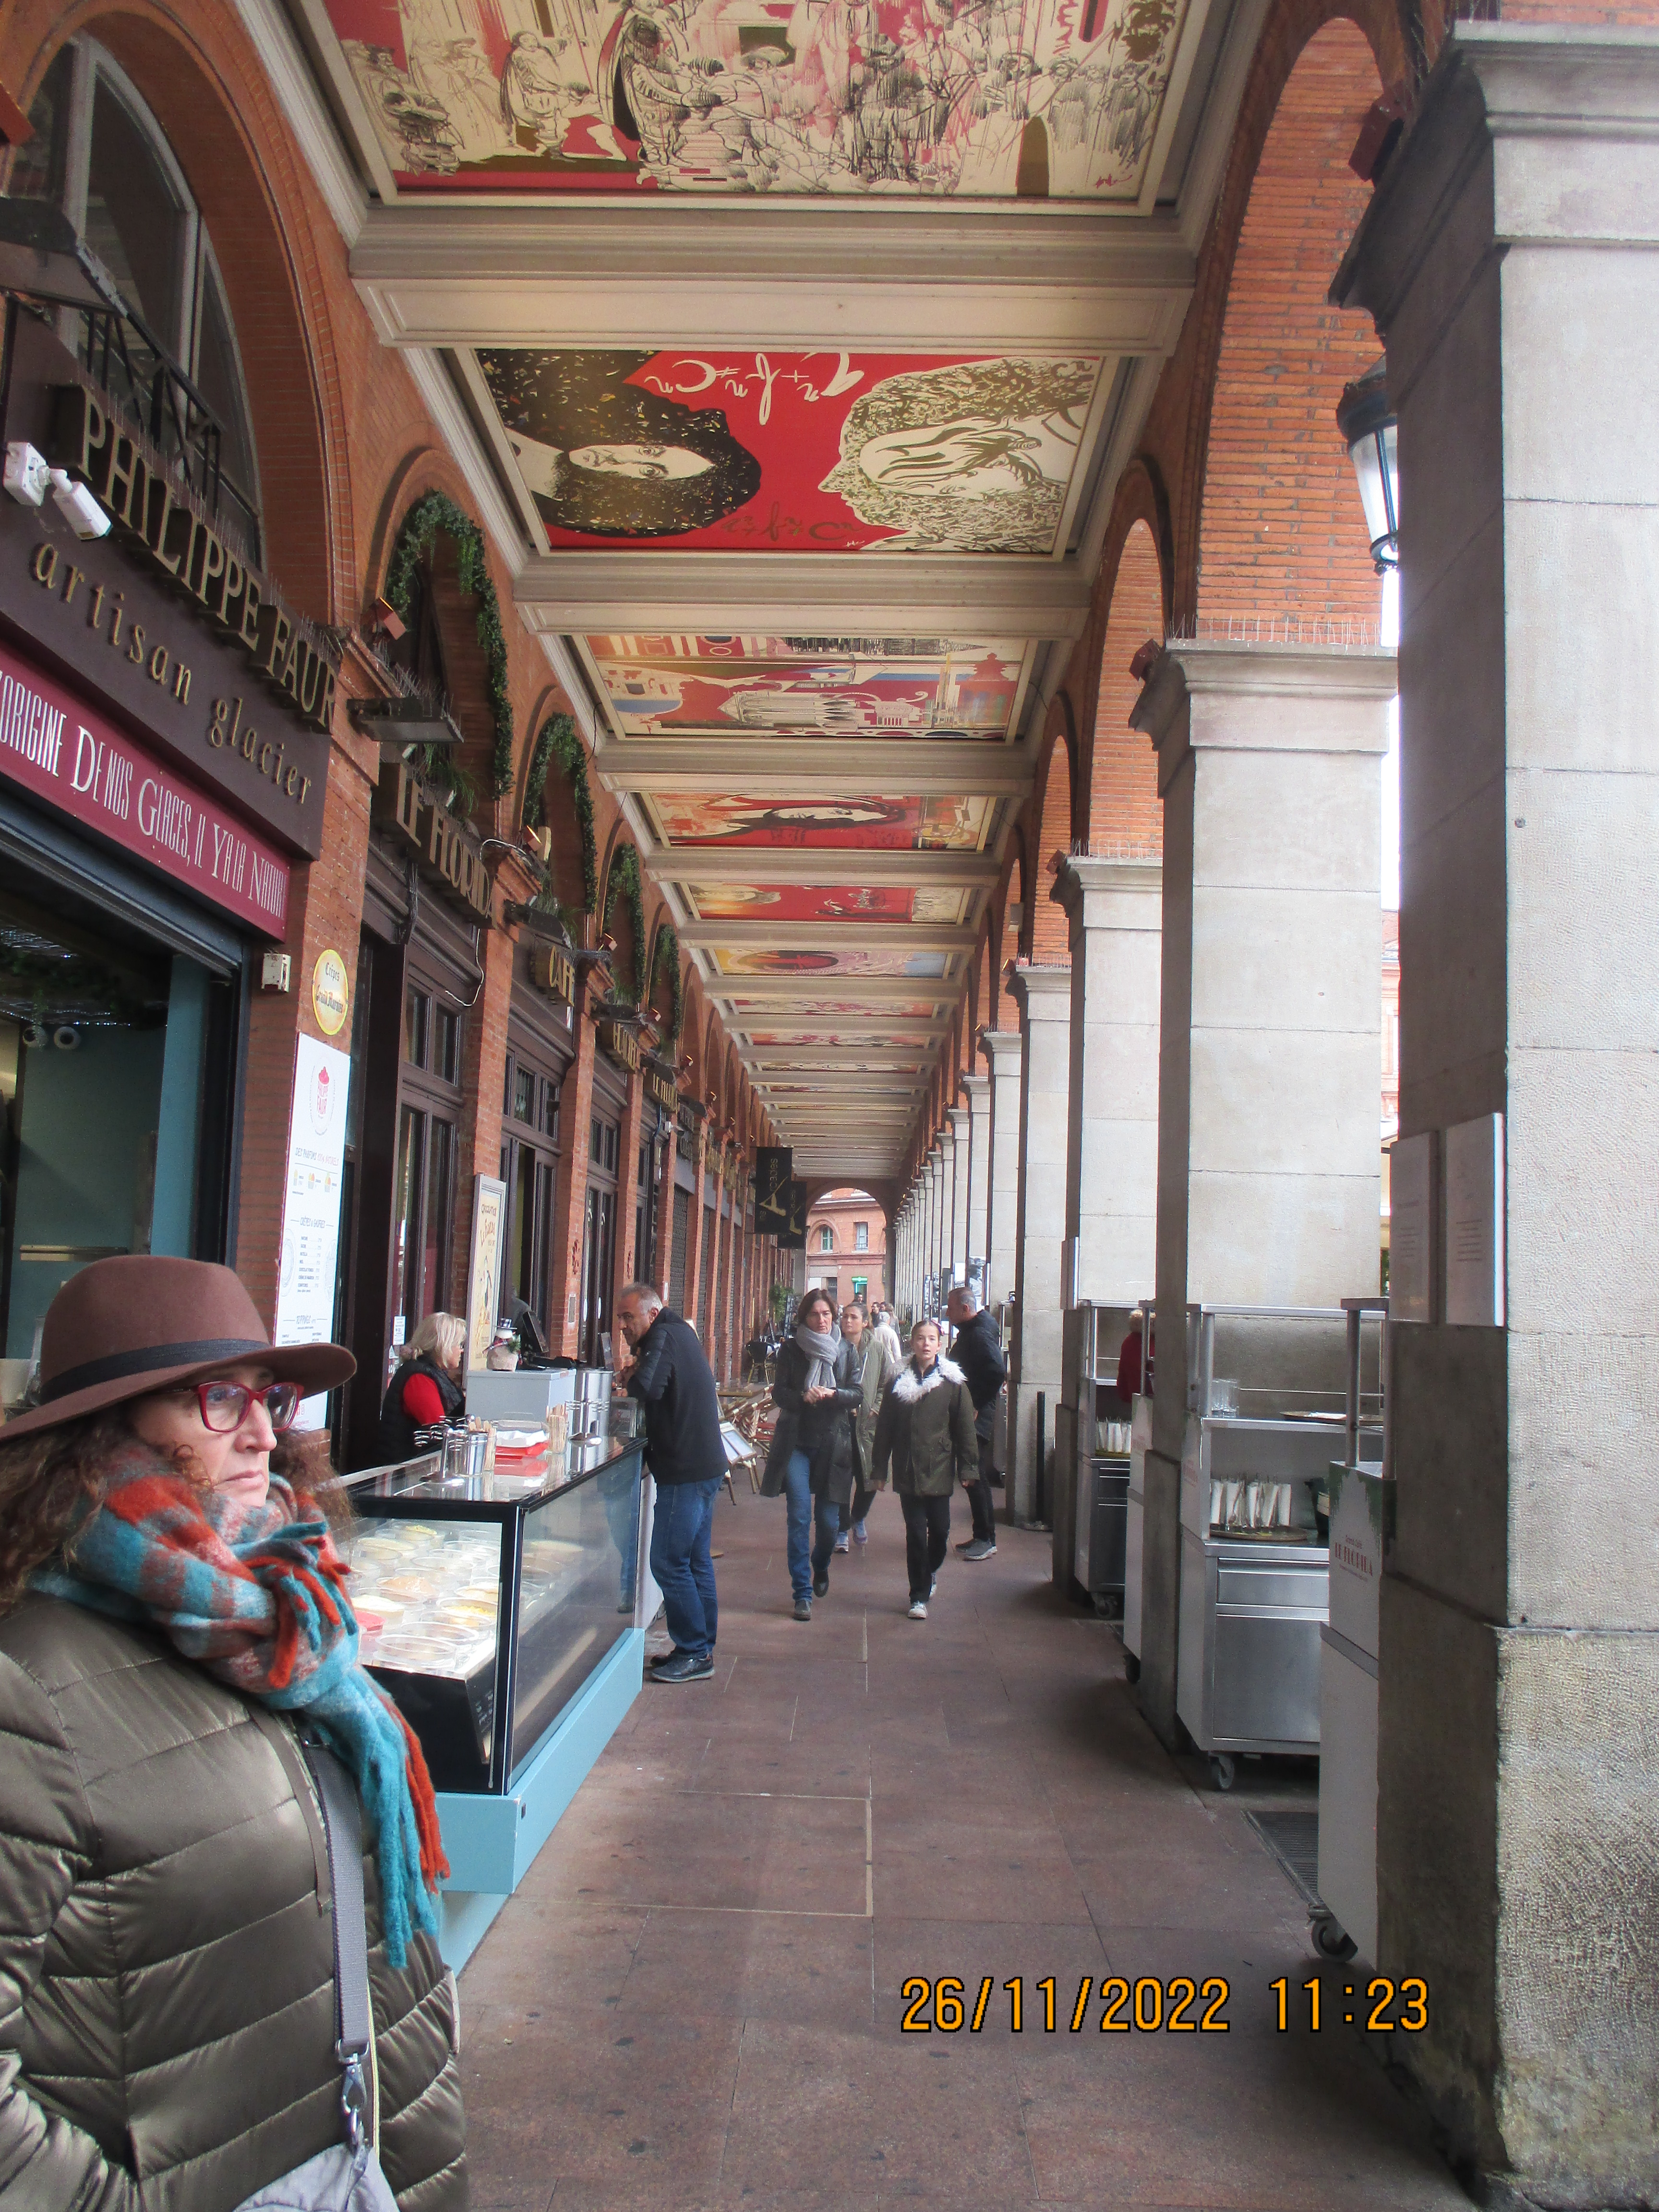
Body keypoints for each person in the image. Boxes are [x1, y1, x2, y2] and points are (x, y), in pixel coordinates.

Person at [0, 1255, 466, 2208]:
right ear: (102, 1432)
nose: (262, 1431)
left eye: (268, 1396)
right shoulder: (29, 1687)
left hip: (363, 2159)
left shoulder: (282, 1616)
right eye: (216, 1398)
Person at [617, 1282, 724, 1683]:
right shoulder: (679, 1333)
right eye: (621, 1318)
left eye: (629, 1317)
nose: (623, 1325)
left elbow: (649, 1387)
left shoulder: (663, 1334)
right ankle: (700, 1647)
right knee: (695, 1561)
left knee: (667, 1561)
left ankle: (695, 1651)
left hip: (685, 1470)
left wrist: (631, 1377)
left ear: (652, 1313)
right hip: (703, 1466)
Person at [760, 1288, 860, 1620]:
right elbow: (779, 1393)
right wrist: (804, 1397)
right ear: (804, 1318)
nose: (821, 1320)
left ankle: (821, 1564)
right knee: (799, 1517)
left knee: (830, 1525)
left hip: (834, 1445)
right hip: (797, 1445)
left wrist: (834, 1394)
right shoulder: (791, 1350)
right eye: (815, 1315)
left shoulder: (846, 1350)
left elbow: (858, 1393)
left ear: (834, 1316)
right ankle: (801, 1593)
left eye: (826, 1314)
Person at [872, 1318, 978, 1620]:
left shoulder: (953, 1384)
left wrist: (969, 1468)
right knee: (916, 1533)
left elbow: (965, 1429)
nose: (926, 1344)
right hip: (908, 1468)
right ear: (912, 1342)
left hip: (939, 1467)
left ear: (940, 1344)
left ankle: (930, 1571)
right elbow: (885, 1428)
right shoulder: (897, 1381)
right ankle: (917, 1596)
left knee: (941, 1531)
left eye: (932, 1339)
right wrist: (879, 1470)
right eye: (920, 1338)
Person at [944, 1284, 1007, 1560]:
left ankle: (986, 1538)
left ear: (966, 1309)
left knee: (975, 1473)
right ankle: (982, 1535)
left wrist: (976, 1405)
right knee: (972, 1472)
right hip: (973, 1411)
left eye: (951, 1308)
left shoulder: (979, 1334)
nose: (947, 1313)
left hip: (977, 1417)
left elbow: (997, 1371)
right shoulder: (975, 1330)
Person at [838, 1300, 899, 1549]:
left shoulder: (877, 1349)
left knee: (870, 1475)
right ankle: (842, 1528)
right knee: (840, 1477)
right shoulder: (834, 1346)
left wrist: (876, 1407)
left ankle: (858, 1517)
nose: (847, 1321)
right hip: (840, 1420)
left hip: (867, 1421)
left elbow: (887, 1383)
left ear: (865, 1322)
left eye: (853, 1317)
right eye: (844, 1316)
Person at [379, 1309, 465, 1460]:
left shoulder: (430, 1372)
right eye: (459, 1344)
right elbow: (437, 1430)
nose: (461, 1350)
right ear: (444, 1345)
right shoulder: (419, 1378)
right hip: (406, 1469)